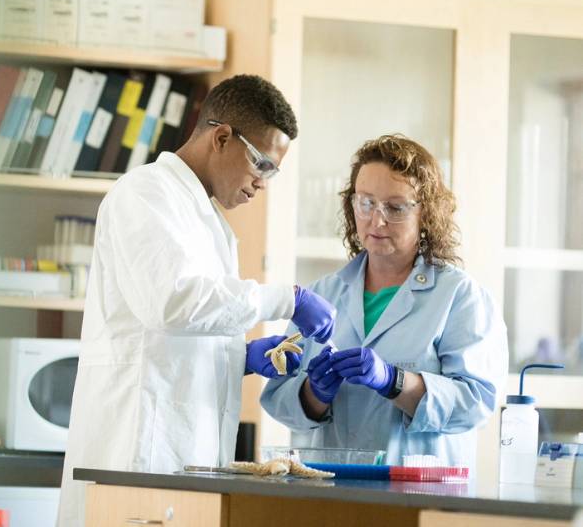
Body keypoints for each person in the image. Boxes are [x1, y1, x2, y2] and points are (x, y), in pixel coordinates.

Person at [57, 74, 336, 527]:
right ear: (222, 137)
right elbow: (171, 301)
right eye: (262, 164)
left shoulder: (205, 217)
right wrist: (288, 298)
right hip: (137, 452)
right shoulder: (145, 193)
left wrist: (236, 357)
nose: (263, 183)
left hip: (183, 460)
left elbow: (180, 333)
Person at [261, 134, 508, 470]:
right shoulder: (323, 295)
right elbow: (278, 398)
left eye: (395, 207)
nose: (376, 220)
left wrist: (395, 381)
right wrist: (314, 393)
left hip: (419, 494)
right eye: (365, 203)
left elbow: (477, 403)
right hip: (333, 491)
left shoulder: (460, 297)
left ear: (427, 213)